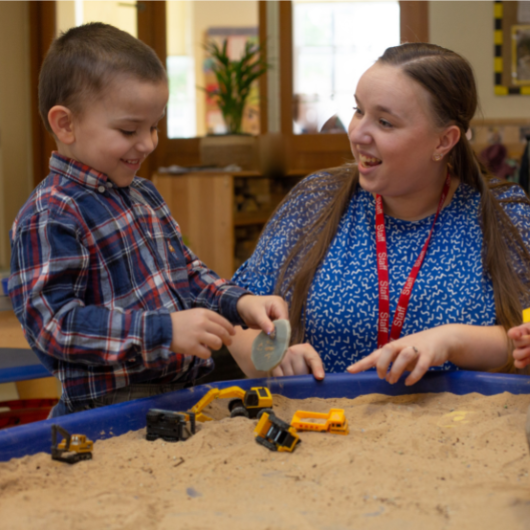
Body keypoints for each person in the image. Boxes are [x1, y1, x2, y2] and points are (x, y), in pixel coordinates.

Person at [8, 23, 287, 417]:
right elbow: (54, 326)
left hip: (182, 391)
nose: (148, 143)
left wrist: (240, 302)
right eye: (128, 130)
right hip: (110, 409)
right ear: (65, 124)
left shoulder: (144, 194)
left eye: (154, 127)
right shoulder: (51, 214)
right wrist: (164, 331)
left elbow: (187, 275)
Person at [227, 42, 530, 385]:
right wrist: (273, 360)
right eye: (358, 111)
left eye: (385, 122)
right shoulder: (315, 201)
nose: (357, 133)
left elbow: (520, 342)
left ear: (444, 141)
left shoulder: (504, 215)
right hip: (325, 426)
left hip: (460, 430)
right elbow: (235, 317)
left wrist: (452, 340)